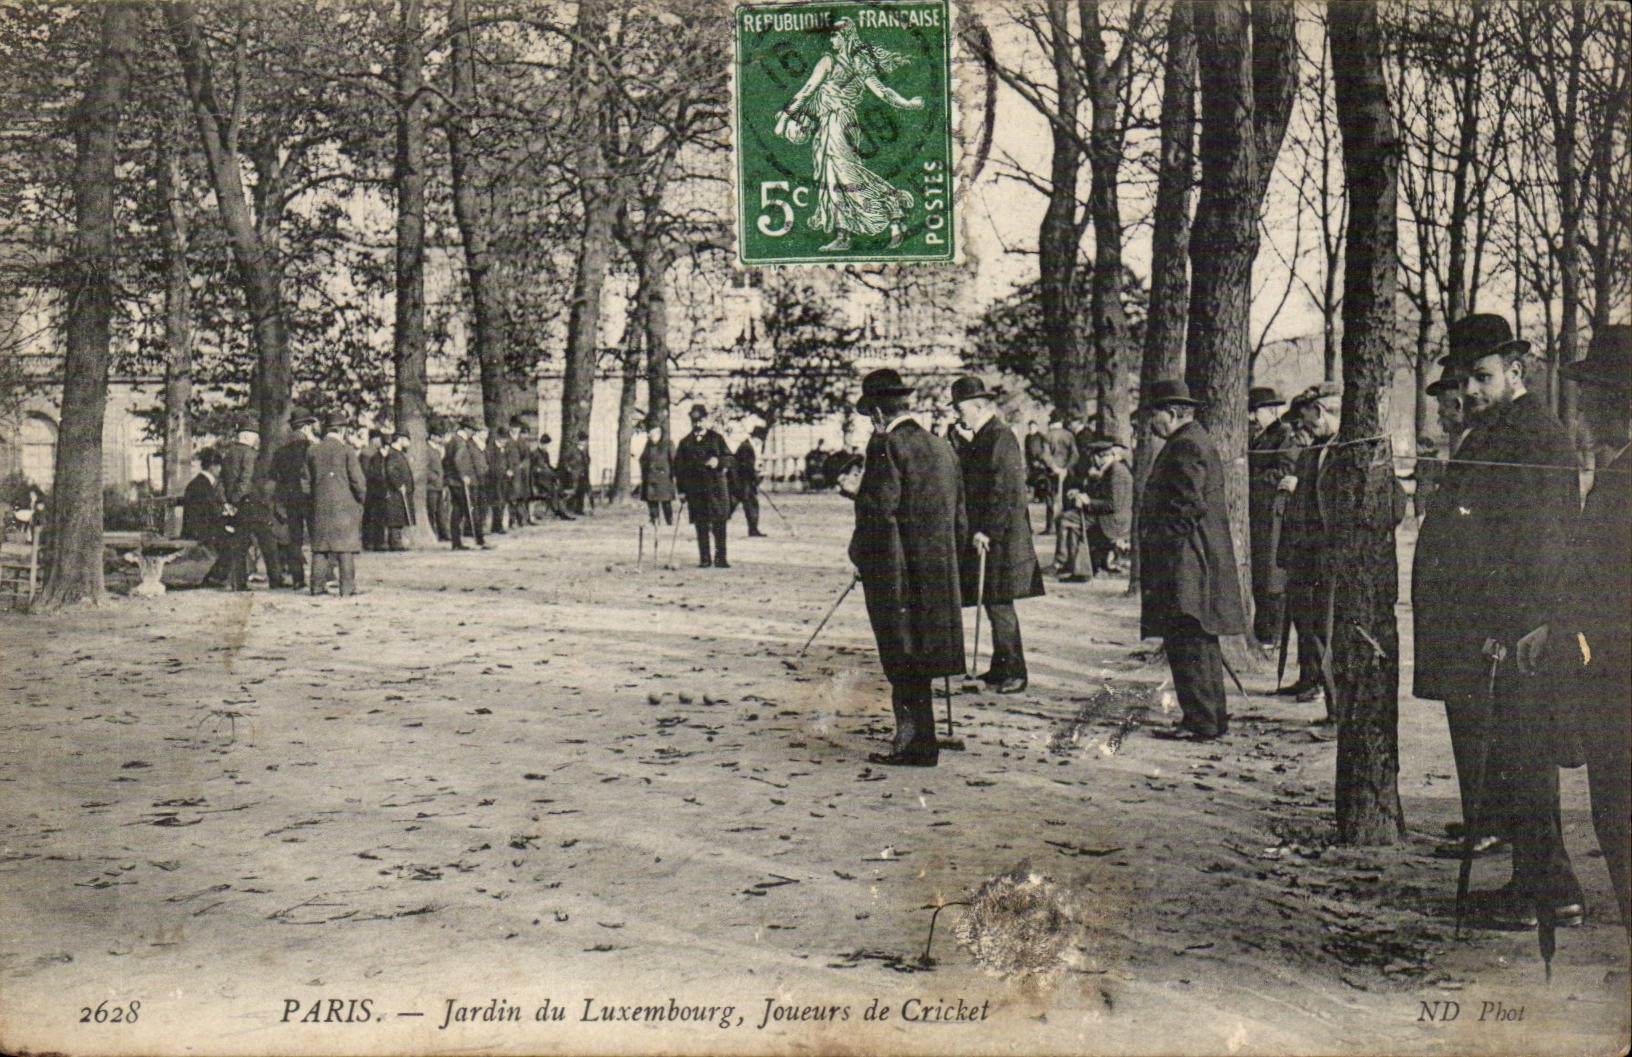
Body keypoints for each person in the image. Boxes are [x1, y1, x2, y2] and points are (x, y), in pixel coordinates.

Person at [1413, 313, 1583, 929]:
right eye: (1466, 378)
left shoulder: (1535, 437)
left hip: (1516, 635)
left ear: (1517, 371)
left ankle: (1551, 893)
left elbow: (1542, 547)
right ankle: (1537, 885)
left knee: (1526, 758)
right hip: (1491, 631)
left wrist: (1512, 628)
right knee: (1512, 759)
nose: (1473, 390)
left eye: (1484, 376)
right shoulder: (1495, 432)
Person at [1517, 324, 1632, 935]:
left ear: (1622, 403)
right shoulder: (1616, 473)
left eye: (1592, 398)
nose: (1582, 413)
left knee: (1619, 816)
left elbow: (1611, 587)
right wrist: (1555, 626)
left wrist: (1570, 633)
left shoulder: (1625, 481)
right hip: (1612, 673)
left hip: (1620, 682)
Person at [848, 369, 966, 766]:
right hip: (939, 570)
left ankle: (914, 743)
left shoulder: (885, 446)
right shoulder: (942, 446)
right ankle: (924, 738)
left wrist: (861, 556)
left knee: (901, 655)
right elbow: (959, 516)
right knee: (926, 653)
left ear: (879, 412)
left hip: (896, 571)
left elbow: (879, 513)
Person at [1136, 379, 1245, 741]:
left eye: (1154, 414)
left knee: (1188, 639)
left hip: (1187, 562)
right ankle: (1211, 718)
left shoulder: (1186, 446)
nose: (1151, 422)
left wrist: (1161, 542)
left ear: (1172, 413)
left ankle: (1201, 721)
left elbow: (1189, 505)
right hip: (1190, 559)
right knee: (1197, 640)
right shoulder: (1189, 441)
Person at [774, 17, 923, 252]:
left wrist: (785, 116)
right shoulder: (859, 62)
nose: (831, 39)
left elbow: (807, 91)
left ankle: (893, 207)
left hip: (836, 123)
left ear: (846, 36)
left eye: (835, 35)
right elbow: (883, 92)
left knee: (844, 174)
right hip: (844, 123)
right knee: (834, 177)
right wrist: (907, 103)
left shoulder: (830, 61)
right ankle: (845, 235)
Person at [949, 376, 1043, 695]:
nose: (957, 415)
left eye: (960, 408)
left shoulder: (1000, 437)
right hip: (987, 535)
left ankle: (1016, 671)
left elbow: (1004, 491)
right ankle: (1002, 666)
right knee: (990, 600)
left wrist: (987, 530)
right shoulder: (981, 437)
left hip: (1000, 535)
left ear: (979, 406)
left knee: (1000, 603)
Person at [1276, 383, 1342, 707]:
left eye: (1309, 419)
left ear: (1323, 411)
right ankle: (1310, 679)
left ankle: (1328, 696)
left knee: (1324, 624)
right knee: (1305, 620)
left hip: (1325, 551)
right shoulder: (1314, 449)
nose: (1306, 427)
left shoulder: (1341, 448)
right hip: (1303, 550)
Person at [1247, 386, 1302, 649]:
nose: (1252, 418)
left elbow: (1283, 471)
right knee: (1259, 571)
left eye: (1256, 412)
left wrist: (1248, 480)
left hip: (1273, 513)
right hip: (1259, 513)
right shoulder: (1260, 436)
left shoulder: (1284, 436)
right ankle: (1263, 631)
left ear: (1271, 411)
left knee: (1272, 574)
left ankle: (1274, 635)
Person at [305, 411, 366, 597]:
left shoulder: (312, 450)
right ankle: (347, 588)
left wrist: (312, 501)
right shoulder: (347, 451)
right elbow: (359, 482)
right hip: (344, 507)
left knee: (320, 549)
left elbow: (305, 482)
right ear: (342, 430)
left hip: (320, 506)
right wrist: (359, 500)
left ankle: (316, 587)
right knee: (345, 548)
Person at [1060, 434, 1133, 581]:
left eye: (1095, 458)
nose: (1093, 462)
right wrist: (1082, 493)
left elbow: (1113, 504)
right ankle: (1076, 565)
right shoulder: (1111, 469)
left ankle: (1078, 569)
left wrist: (1088, 502)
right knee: (1069, 519)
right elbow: (1103, 494)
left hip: (1113, 521)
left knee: (1067, 521)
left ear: (1101, 457)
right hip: (1109, 516)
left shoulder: (1116, 472)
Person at [673, 405, 733, 568]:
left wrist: (718, 461)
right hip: (696, 490)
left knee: (720, 523)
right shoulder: (685, 443)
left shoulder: (717, 438)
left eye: (700, 420)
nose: (698, 423)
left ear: (706, 420)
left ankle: (721, 558)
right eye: (694, 420)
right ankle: (704, 558)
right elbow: (679, 469)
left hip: (716, 489)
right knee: (701, 524)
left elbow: (729, 458)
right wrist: (682, 491)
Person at [220, 425, 274, 589]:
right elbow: (246, 480)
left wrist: (227, 502)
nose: (257, 441)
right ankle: (276, 578)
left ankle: (239, 583)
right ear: (249, 438)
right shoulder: (250, 454)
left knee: (239, 545)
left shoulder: (228, 454)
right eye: (255, 438)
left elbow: (221, 481)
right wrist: (237, 499)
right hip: (251, 504)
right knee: (267, 542)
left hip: (236, 506)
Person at [269, 410, 317, 589]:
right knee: (316, 536)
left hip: (290, 498)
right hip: (310, 498)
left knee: (294, 539)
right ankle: (323, 575)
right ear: (306, 427)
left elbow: (273, 476)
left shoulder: (281, 451)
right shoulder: (312, 448)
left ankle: (298, 578)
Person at [182, 448, 234, 588]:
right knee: (235, 540)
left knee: (232, 538)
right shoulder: (203, 485)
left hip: (198, 527)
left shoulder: (199, 482)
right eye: (219, 466)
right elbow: (211, 513)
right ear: (212, 467)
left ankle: (216, 576)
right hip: (200, 530)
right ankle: (214, 578)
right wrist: (227, 519)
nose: (220, 469)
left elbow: (209, 510)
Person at [443, 419, 486, 550]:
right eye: (472, 430)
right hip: (461, 482)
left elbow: (446, 461)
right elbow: (458, 460)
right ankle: (479, 540)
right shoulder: (460, 442)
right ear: (466, 429)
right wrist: (464, 476)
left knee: (457, 511)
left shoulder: (452, 440)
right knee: (470, 509)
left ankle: (456, 542)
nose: (473, 433)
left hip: (453, 481)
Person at [1040, 418, 1076, 544]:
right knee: (1065, 499)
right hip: (1066, 473)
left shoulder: (1048, 435)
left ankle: (1051, 527)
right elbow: (1075, 454)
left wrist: (1054, 467)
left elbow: (1045, 455)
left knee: (1051, 499)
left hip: (1052, 472)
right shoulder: (1069, 435)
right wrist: (1067, 468)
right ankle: (1064, 527)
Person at [639, 420, 676, 526]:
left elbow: (674, 461)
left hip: (664, 479)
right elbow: (642, 459)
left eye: (651, 433)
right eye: (649, 433)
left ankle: (669, 521)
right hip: (650, 479)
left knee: (666, 502)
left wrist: (672, 475)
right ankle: (654, 520)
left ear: (658, 433)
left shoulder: (668, 444)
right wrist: (645, 472)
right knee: (652, 501)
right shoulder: (648, 445)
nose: (649, 436)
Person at [732, 425, 767, 537]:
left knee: (740, 504)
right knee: (749, 504)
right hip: (742, 482)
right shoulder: (747, 447)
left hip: (744, 481)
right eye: (760, 438)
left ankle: (753, 529)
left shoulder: (747, 446)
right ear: (756, 437)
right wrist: (755, 477)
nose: (760, 441)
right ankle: (753, 530)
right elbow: (745, 467)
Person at [381, 433, 414, 550]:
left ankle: (397, 541)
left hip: (399, 491)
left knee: (399, 517)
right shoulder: (393, 454)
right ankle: (395, 543)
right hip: (396, 492)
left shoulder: (397, 453)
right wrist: (399, 484)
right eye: (407, 439)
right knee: (396, 517)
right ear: (400, 439)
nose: (409, 443)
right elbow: (391, 471)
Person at [425, 423, 449, 542]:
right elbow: (425, 469)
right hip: (431, 486)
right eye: (439, 436)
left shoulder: (437, 449)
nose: (441, 439)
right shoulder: (426, 449)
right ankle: (433, 534)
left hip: (439, 485)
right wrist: (434, 477)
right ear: (432, 437)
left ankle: (443, 534)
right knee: (431, 510)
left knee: (441, 511)